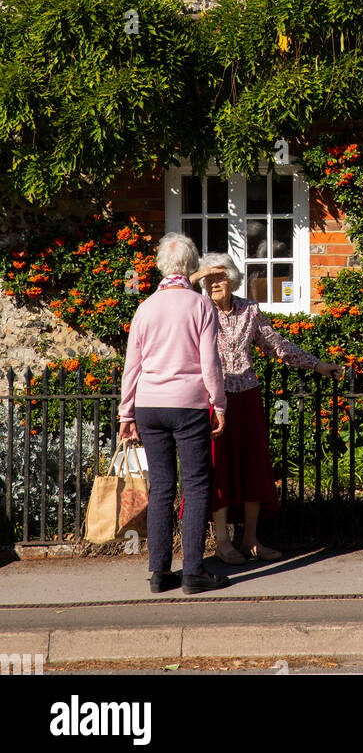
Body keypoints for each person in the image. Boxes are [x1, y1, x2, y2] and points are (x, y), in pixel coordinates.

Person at [190, 252, 343, 563]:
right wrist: (198, 275)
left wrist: (317, 365)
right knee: (219, 468)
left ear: (232, 279)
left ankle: (250, 540)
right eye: (209, 278)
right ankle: (221, 541)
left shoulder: (250, 310)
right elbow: (173, 295)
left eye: (220, 277)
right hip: (212, 399)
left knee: (253, 467)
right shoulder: (198, 308)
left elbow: (277, 345)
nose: (215, 283)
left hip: (247, 396)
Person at [118, 232, 229, 595]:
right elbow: (209, 361)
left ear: (162, 267)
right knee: (195, 486)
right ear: (192, 265)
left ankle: (158, 572)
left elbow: (131, 365)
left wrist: (126, 414)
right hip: (188, 403)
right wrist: (219, 402)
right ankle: (193, 571)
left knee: (162, 486)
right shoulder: (199, 306)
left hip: (149, 406)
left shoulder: (145, 307)